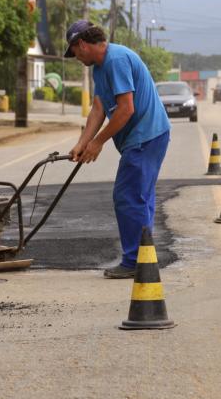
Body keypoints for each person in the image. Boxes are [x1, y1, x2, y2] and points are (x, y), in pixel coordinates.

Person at [65, 20, 170, 279]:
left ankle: (135, 260)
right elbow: (99, 109)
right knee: (139, 197)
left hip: (146, 136)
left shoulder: (116, 60)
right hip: (145, 136)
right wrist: (82, 142)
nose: (76, 58)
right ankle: (144, 257)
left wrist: (98, 143)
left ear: (82, 44)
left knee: (128, 196)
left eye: (74, 52)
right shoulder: (100, 68)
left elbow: (126, 109)